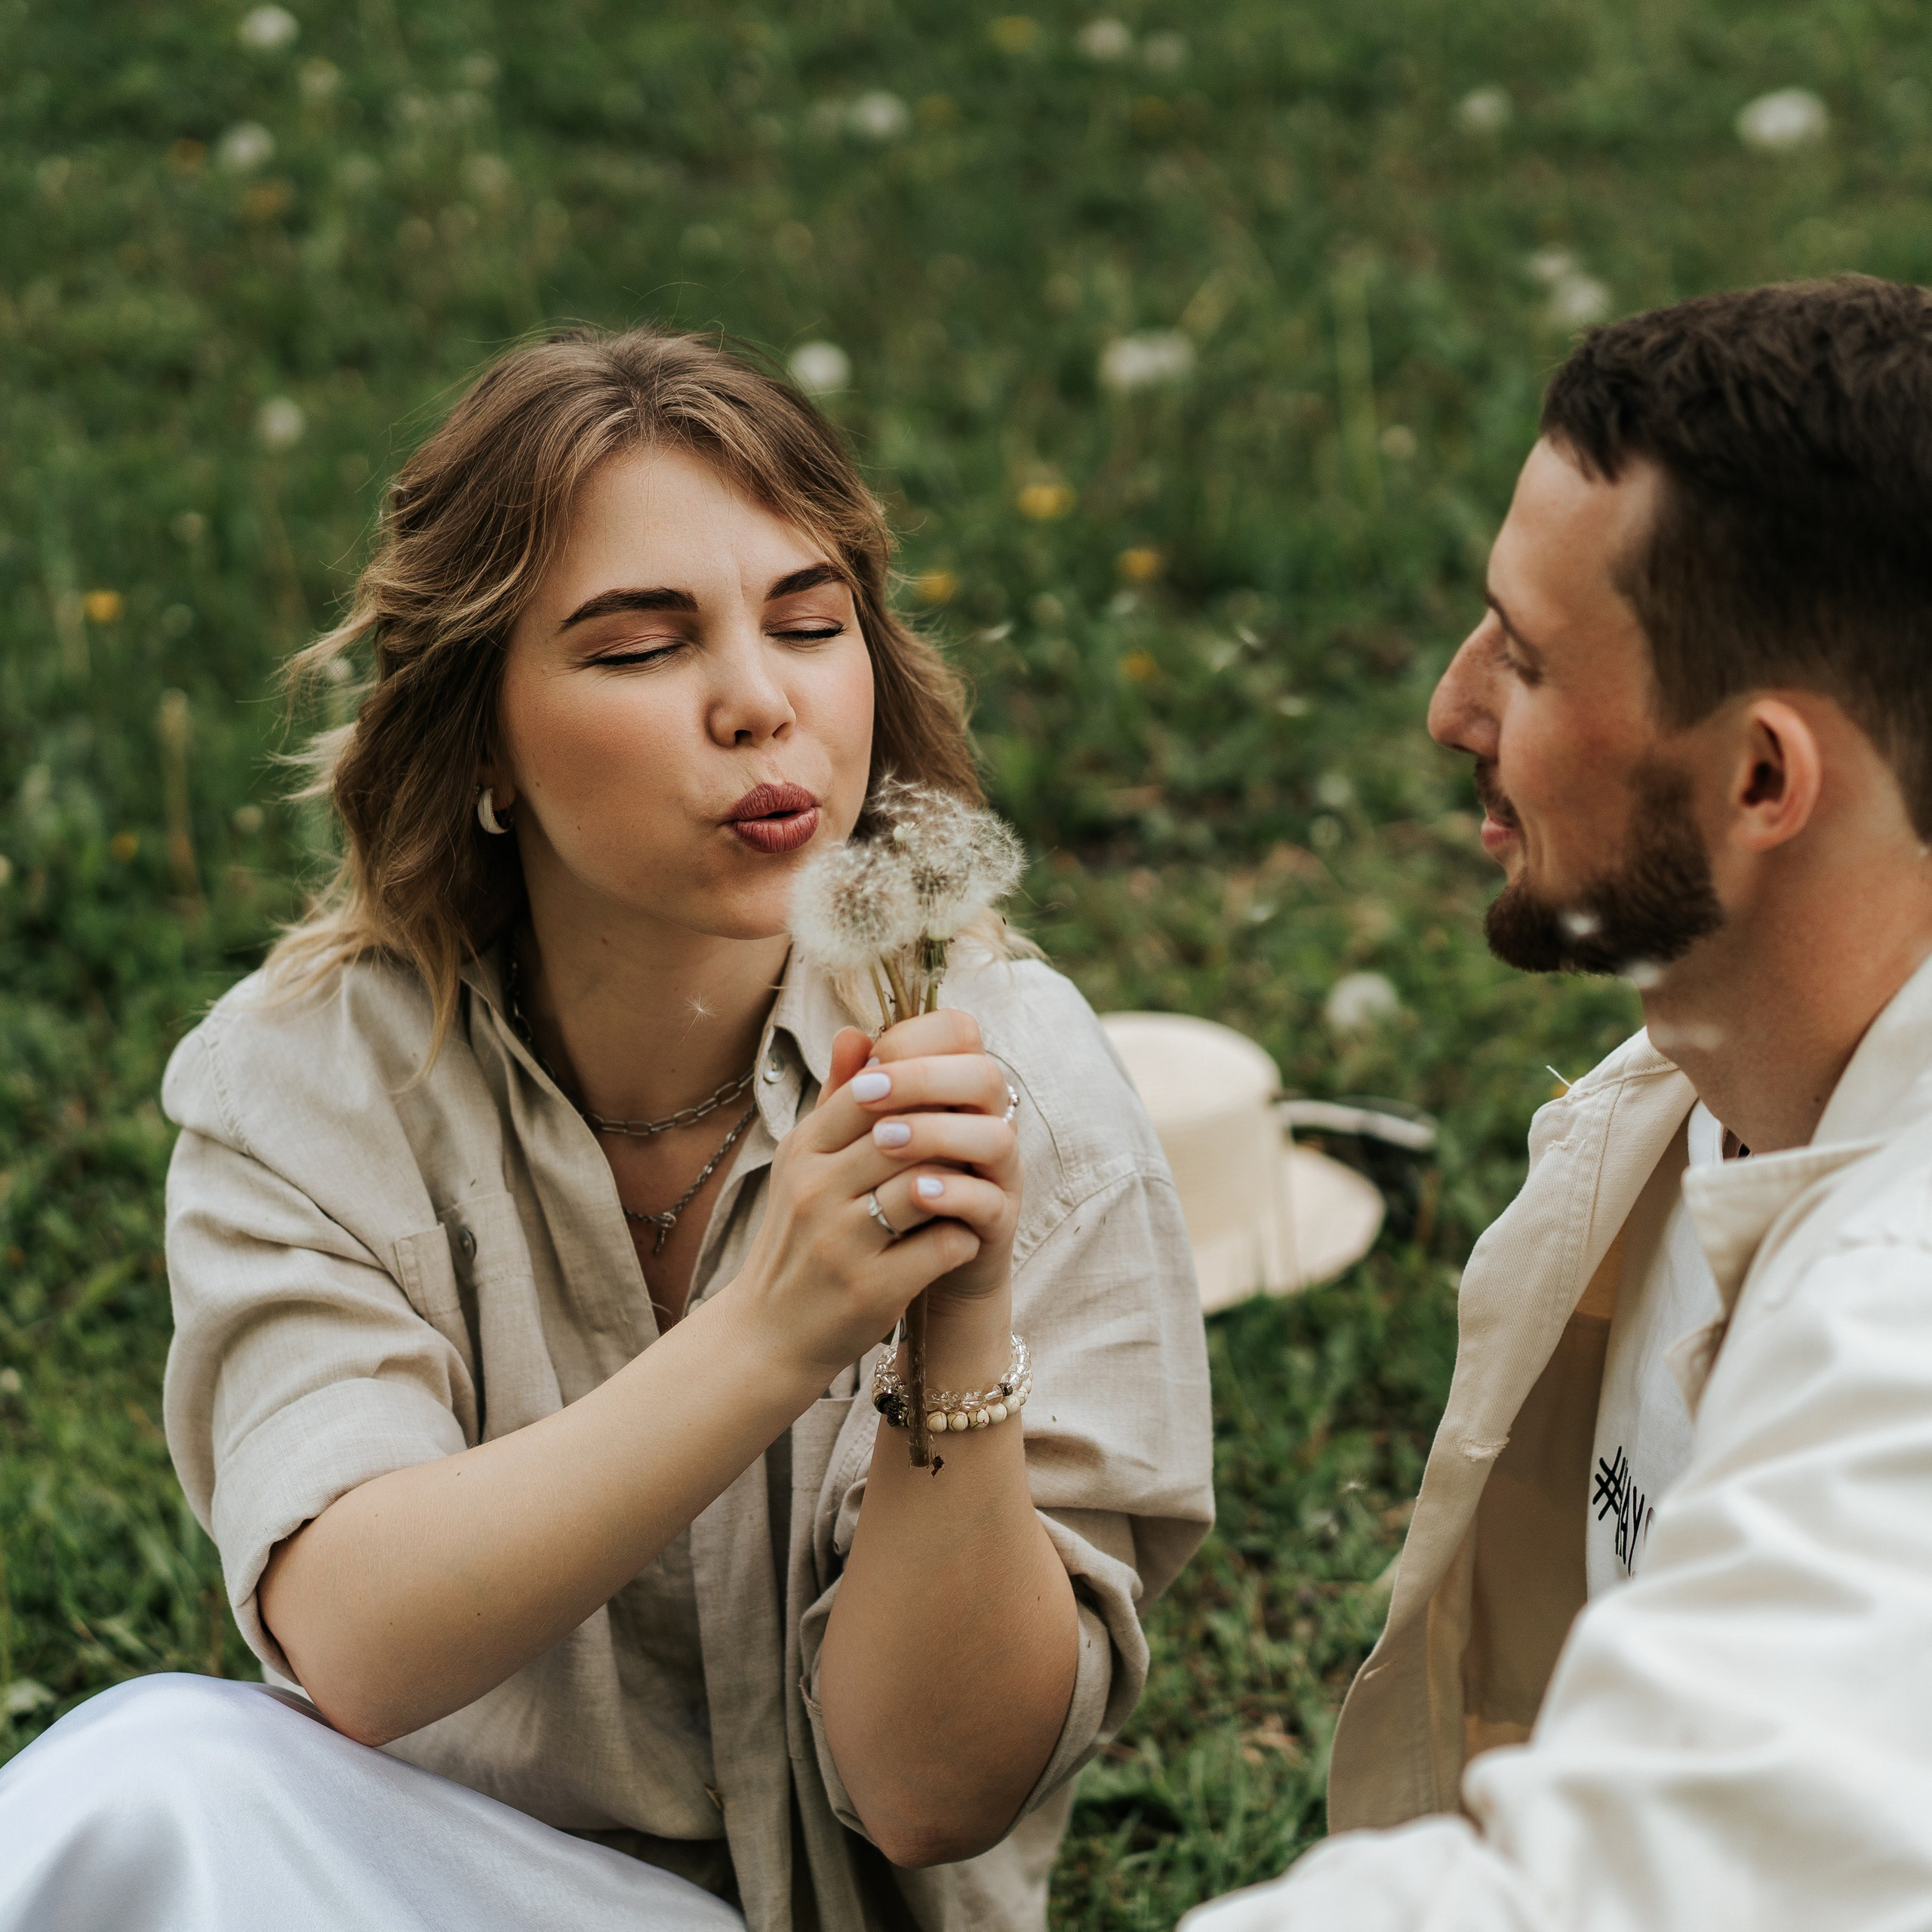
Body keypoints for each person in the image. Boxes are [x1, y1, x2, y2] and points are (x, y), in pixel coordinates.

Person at [0, 328, 1214, 1932]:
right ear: (480, 738)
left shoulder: (1015, 1078)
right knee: (153, 1777)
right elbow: (351, 1634)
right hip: (429, 1901)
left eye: (811, 624)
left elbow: (934, 1794)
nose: (760, 702)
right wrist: (774, 1330)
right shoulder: (305, 1083)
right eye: (641, 648)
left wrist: (955, 1318)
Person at [1186, 276, 1932, 1928]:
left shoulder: (1904, 1343)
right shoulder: (1717, 1076)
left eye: (1521, 661)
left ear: (1760, 778)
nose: (1450, 707)